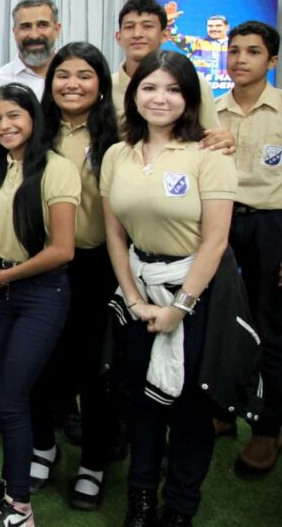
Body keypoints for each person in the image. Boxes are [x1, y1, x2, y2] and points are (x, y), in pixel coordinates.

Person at [101, 50, 258, 527]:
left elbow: (215, 242)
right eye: (150, 87)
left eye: (173, 89)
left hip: (199, 296)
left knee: (191, 408)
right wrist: (131, 297)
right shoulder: (117, 154)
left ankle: (180, 507)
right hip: (140, 292)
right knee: (142, 401)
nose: (160, 98)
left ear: (189, 97)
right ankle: (142, 497)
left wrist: (180, 308)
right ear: (134, 94)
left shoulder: (207, 156)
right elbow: (114, 234)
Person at [0, 83, 79, 527]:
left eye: (15, 116)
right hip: (0, 295)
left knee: (11, 400)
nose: (5, 125)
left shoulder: (56, 169)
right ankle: (11, 491)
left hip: (39, 294)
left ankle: (21, 509)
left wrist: (3, 276)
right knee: (9, 397)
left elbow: (63, 249)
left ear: (33, 117)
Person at [30, 43, 121, 508]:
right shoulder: (35, 130)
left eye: (84, 75)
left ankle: (93, 464)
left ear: (100, 83)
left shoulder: (123, 133)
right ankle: (42, 445)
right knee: (41, 362)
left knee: (93, 370)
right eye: (62, 74)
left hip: (98, 266)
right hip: (42, 265)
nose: (71, 84)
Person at [216, 21, 281, 478]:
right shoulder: (211, 110)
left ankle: (267, 428)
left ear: (271, 61)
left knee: (270, 328)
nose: (240, 59)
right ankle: (222, 410)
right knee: (220, 322)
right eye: (234, 50)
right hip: (221, 222)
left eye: (253, 52)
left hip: (271, 225)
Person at [111, 0, 219, 129]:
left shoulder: (194, 83)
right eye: (129, 27)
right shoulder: (106, 87)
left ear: (165, 35)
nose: (137, 34)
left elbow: (212, 137)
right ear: (119, 37)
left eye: (147, 26)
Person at [0, 0, 63, 99]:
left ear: (57, 29)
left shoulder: (76, 81)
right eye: (26, 27)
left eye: (43, 25)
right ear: (15, 32)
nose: (34, 35)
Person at [165, 4, 230, 89]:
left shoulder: (235, 47)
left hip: (229, 95)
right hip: (201, 94)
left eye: (218, 26)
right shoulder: (196, 43)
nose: (214, 29)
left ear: (227, 27)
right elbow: (176, 38)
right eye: (210, 26)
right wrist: (170, 23)